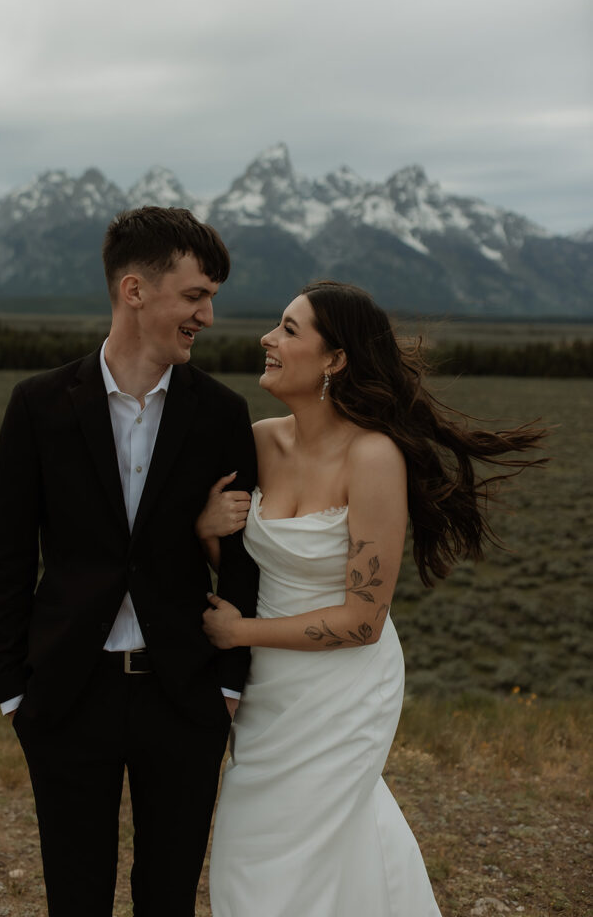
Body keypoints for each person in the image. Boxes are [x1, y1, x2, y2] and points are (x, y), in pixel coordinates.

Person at [196, 279, 546, 917]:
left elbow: (362, 620)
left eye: (289, 329)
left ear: (335, 360)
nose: (267, 339)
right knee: (253, 849)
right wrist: (206, 533)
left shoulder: (374, 456)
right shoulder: (259, 440)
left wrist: (238, 634)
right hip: (269, 687)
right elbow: (247, 567)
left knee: (313, 840)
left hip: (344, 687)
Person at [0, 206, 259, 917]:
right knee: (76, 895)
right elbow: (7, 553)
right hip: (68, 692)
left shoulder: (223, 413)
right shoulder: (38, 405)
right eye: (195, 296)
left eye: (212, 299)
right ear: (135, 291)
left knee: (167, 896)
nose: (208, 315)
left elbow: (242, 562)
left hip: (184, 694)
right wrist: (14, 689)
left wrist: (227, 687)